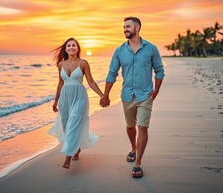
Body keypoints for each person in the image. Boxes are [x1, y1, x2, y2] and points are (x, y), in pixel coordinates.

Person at [100, 17, 165, 178]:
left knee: (142, 127)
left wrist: (156, 91)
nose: (125, 29)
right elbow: (111, 74)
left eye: (128, 27)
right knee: (130, 126)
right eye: (124, 27)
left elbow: (160, 70)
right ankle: (133, 147)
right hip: (127, 95)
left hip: (145, 95)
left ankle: (138, 163)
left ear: (137, 28)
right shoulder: (119, 51)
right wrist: (106, 95)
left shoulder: (151, 49)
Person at [48, 37, 103, 169]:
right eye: (69, 46)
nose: (71, 47)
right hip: (65, 98)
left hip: (79, 96)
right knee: (67, 126)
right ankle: (76, 148)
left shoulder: (83, 63)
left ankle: (67, 158)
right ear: (65, 49)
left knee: (73, 123)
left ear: (77, 48)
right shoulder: (61, 64)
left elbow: (91, 81)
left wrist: (102, 95)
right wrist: (55, 101)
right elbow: (60, 84)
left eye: (74, 45)